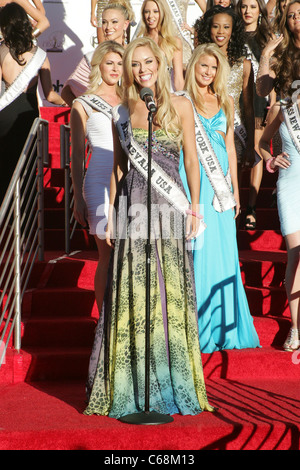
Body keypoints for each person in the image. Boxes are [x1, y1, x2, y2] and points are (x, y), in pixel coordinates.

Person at [84, 37, 214, 418]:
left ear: (158, 63)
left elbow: (193, 160)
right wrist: (110, 212)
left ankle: (167, 379)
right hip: (132, 211)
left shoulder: (180, 106)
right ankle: (132, 384)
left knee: (166, 290)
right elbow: (119, 169)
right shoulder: (122, 110)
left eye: (147, 63)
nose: (142, 70)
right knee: (134, 291)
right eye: (135, 64)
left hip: (169, 211)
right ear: (129, 69)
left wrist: (194, 207)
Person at [179, 43, 260, 353]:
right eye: (203, 66)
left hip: (222, 189)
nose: (208, 72)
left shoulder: (226, 100)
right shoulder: (183, 101)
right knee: (199, 252)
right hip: (195, 182)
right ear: (193, 66)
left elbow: (229, 148)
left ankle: (226, 326)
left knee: (224, 254)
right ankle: (197, 326)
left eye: (213, 68)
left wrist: (238, 191)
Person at [70, 41, 124, 317]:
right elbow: (77, 155)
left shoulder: (132, 100)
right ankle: (105, 321)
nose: (115, 68)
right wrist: (78, 196)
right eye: (109, 63)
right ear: (98, 66)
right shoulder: (82, 103)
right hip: (99, 181)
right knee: (108, 253)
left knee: (126, 254)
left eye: (119, 63)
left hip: (128, 181)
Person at [0, 2, 66, 206]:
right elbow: (51, 95)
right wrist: (72, 101)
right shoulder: (40, 55)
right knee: (27, 164)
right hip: (29, 114)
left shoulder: (1, 51)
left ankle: (6, 217)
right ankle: (26, 210)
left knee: (5, 163)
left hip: (5, 114)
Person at [259, 63, 300, 351]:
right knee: (295, 255)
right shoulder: (282, 108)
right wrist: (271, 161)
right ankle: (296, 329)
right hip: (289, 185)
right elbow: (262, 143)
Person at [195, 6, 255, 174]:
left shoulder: (244, 65)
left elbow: (248, 107)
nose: (221, 31)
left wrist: (250, 144)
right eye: (216, 26)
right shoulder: (198, 62)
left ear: (233, 31)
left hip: (235, 134)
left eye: (226, 27)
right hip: (203, 133)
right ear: (209, 29)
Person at [237, 0, 274, 229]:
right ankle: (235, 204)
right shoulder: (232, 33)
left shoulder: (266, 37)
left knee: (256, 151)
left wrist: (272, 100)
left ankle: (250, 206)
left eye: (252, 6)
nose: (247, 11)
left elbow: (272, 71)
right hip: (236, 99)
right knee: (239, 151)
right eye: (243, 6)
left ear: (259, 9)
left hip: (259, 99)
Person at [61, 2, 130, 107]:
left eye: (114, 22)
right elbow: (66, 92)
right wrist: (83, 113)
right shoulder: (92, 57)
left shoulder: (134, 55)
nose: (108, 27)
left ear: (126, 24)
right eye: (104, 22)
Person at [256, 0, 300, 99]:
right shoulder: (282, 54)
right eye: (290, 15)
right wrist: (265, 54)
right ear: (287, 24)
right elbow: (262, 91)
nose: (296, 16)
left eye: (299, 12)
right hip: (290, 111)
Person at [136, 0, 185, 91]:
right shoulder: (139, 42)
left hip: (167, 92)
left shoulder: (174, 42)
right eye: (147, 12)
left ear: (162, 13)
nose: (150, 16)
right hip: (145, 94)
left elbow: (178, 79)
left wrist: (182, 98)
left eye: (155, 11)